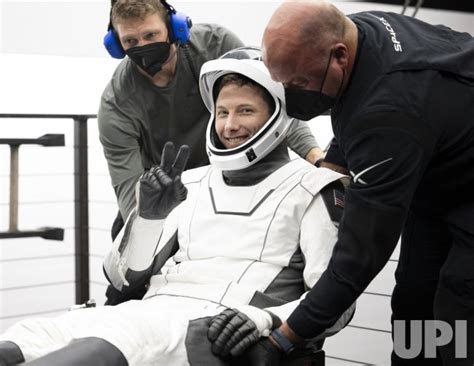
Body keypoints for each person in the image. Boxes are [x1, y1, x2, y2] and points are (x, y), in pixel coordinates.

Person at [0, 48, 353, 366]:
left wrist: (265, 319)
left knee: (122, 340)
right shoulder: (190, 182)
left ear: (279, 116)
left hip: (216, 324)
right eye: (222, 112)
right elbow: (121, 278)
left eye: (246, 111)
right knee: (37, 333)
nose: (230, 125)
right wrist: (149, 217)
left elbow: (337, 304)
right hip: (151, 312)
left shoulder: (313, 188)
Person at [261, 1, 474, 365]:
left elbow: (360, 255)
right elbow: (353, 108)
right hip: (441, 163)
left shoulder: (389, 114)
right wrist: (324, 178)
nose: (292, 92)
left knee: (457, 307)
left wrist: (288, 334)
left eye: (300, 81)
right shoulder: (357, 31)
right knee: (414, 298)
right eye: (282, 81)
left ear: (339, 56)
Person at [98, 0, 324, 242]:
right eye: (130, 41)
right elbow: (131, 196)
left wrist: (319, 161)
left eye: (150, 35)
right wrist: (146, 234)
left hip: (232, 183)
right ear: (117, 45)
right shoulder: (116, 105)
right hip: (166, 199)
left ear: (175, 29)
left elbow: (276, 104)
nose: (142, 47)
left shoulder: (216, 46)